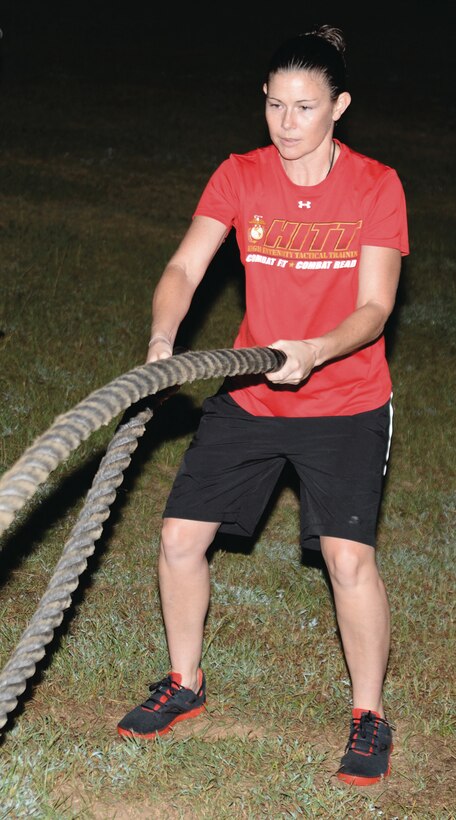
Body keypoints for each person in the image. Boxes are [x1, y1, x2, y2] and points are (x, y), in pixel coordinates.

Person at [117, 24, 409, 786]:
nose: (285, 123)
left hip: (346, 399)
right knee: (180, 539)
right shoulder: (241, 175)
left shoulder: (377, 186)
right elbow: (185, 265)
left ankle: (369, 714)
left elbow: (376, 308)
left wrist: (313, 350)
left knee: (348, 560)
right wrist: (162, 340)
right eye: (274, 104)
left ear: (340, 107)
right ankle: (185, 684)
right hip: (252, 396)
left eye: (304, 107)